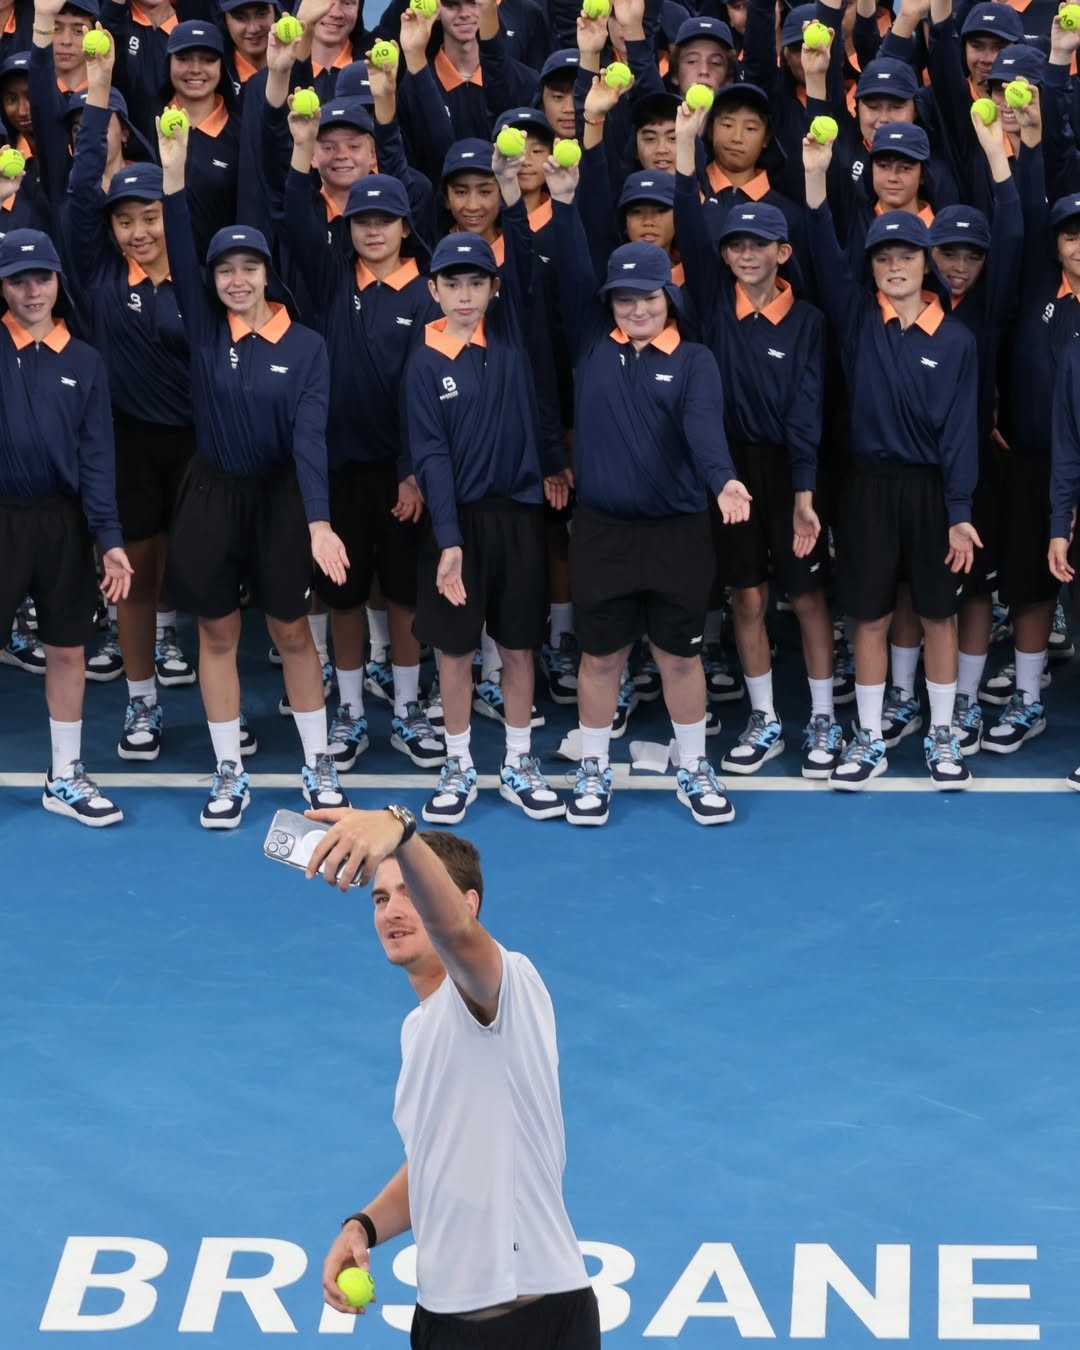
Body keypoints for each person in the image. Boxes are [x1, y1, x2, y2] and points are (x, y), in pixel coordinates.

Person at [305, 806, 601, 1349]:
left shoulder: (500, 986)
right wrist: (363, 1227)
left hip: (527, 1321)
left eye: (410, 893)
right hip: (440, 1321)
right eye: (380, 897)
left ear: (467, 902)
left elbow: (459, 935)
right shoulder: (418, 1028)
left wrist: (400, 830)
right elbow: (435, 1166)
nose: (393, 910)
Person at [544, 153, 752, 828]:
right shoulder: (590, 346)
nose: (636, 308)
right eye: (625, 299)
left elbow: (703, 432)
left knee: (679, 657)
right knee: (601, 658)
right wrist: (567, 201)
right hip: (603, 532)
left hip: (677, 533)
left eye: (650, 298)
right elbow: (572, 263)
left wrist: (723, 480)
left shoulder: (695, 361)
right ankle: (595, 771)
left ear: (670, 300)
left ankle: (693, 769)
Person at [158, 115, 352, 828]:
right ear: (211, 280)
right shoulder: (205, 327)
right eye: (224, 271)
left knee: (293, 631)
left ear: (269, 274)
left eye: (250, 268)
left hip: (280, 500)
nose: (237, 280)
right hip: (211, 494)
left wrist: (320, 521)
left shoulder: (306, 347)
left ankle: (316, 763)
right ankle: (229, 772)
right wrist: (174, 171)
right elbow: (177, 243)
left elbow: (309, 438)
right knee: (216, 634)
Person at [803, 130, 981, 791]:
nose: (895, 266)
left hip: (933, 492)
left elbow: (963, 431)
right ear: (872, 268)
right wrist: (817, 180)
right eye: (884, 258)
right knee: (870, 616)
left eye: (908, 255)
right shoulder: (856, 321)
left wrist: (960, 513)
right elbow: (823, 246)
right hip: (869, 488)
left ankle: (941, 738)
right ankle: (871, 738)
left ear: (927, 263)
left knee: (937, 614)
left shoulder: (957, 339)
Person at [405, 141, 567, 826]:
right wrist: (447, 540)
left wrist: (508, 189)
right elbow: (431, 455)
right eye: (454, 283)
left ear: (493, 290)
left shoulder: (512, 337)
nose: (466, 294)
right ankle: (459, 762)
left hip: (521, 516)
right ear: (435, 289)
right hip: (458, 526)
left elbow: (525, 258)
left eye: (478, 282)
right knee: (455, 649)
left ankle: (519, 762)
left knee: (520, 644)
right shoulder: (422, 363)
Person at [0, 227, 134, 825]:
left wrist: (109, 541)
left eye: (42, 278)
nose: (31, 291)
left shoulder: (85, 360)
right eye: (17, 280)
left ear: (59, 282)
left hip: (63, 523)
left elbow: (99, 456)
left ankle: (65, 776)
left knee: (67, 650)